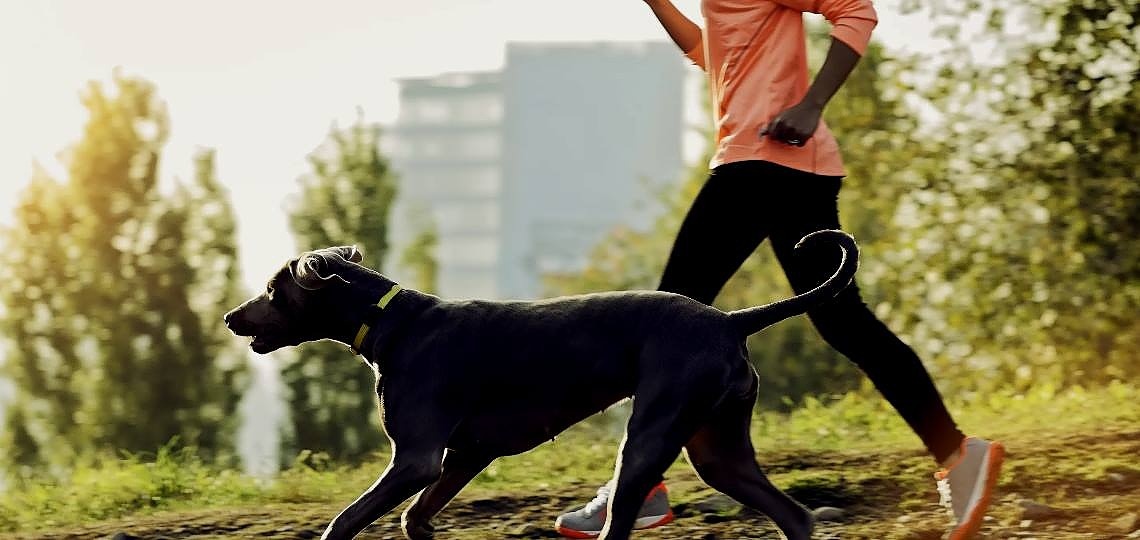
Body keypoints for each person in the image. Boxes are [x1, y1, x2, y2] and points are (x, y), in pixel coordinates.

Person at [553, 0, 1005, 539]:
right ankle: (956, 454)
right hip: (783, 166)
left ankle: (638, 490)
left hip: (761, 162)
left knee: (665, 323)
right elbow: (712, 53)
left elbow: (856, 10)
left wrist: (812, 105)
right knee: (843, 322)